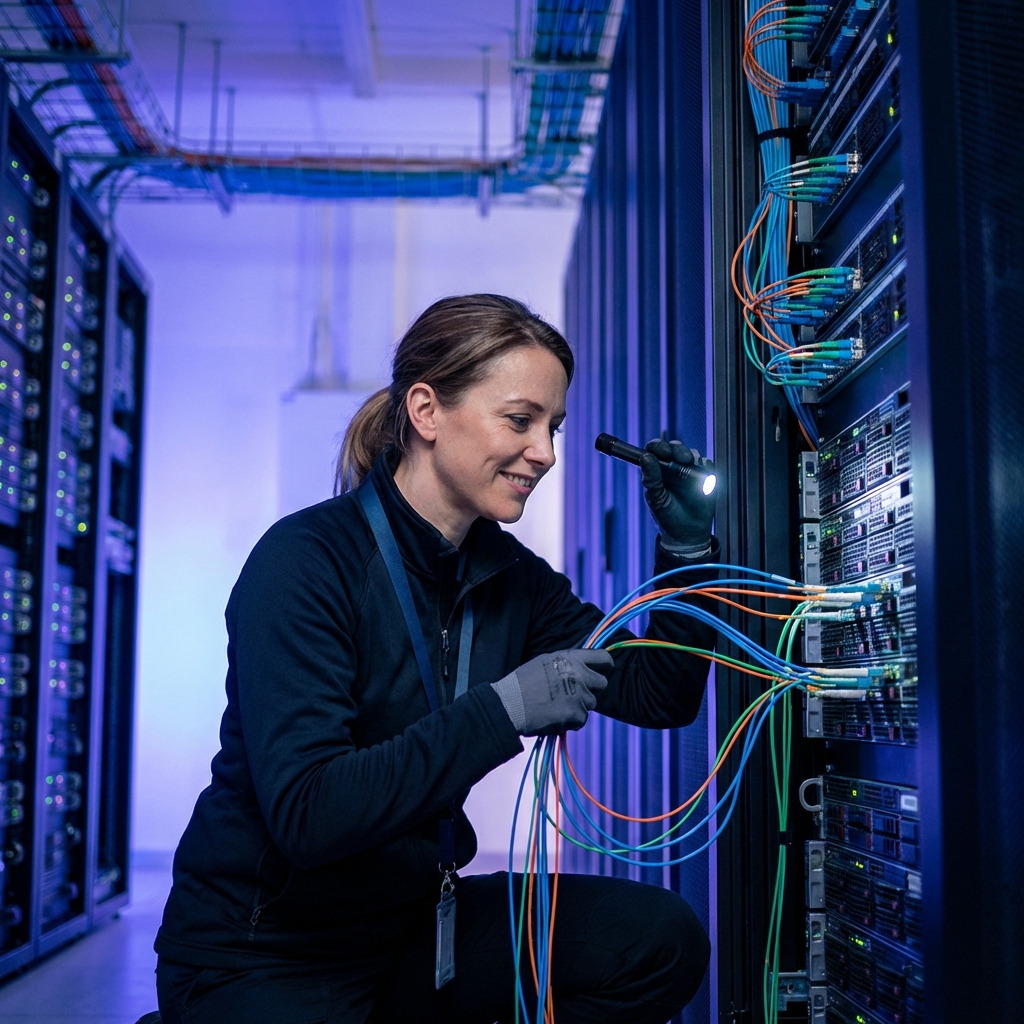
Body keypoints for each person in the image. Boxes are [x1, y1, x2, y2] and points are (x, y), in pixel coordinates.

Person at [154, 294, 719, 1024]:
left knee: (658, 941)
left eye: (553, 427)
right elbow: (309, 814)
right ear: (426, 412)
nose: (545, 452)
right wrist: (501, 711)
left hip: (412, 928)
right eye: (520, 421)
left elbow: (658, 695)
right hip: (266, 949)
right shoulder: (304, 562)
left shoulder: (509, 577)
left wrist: (687, 557)